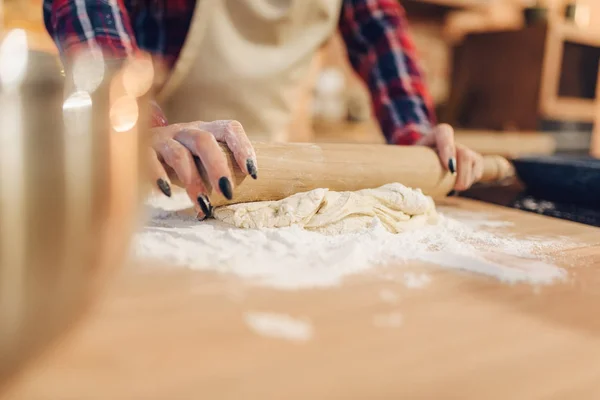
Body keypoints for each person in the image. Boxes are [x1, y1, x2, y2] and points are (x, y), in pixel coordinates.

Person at [44, 0, 483, 219]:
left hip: (270, 181)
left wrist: (415, 134)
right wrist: (128, 115)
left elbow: (380, 32)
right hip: (142, 176)